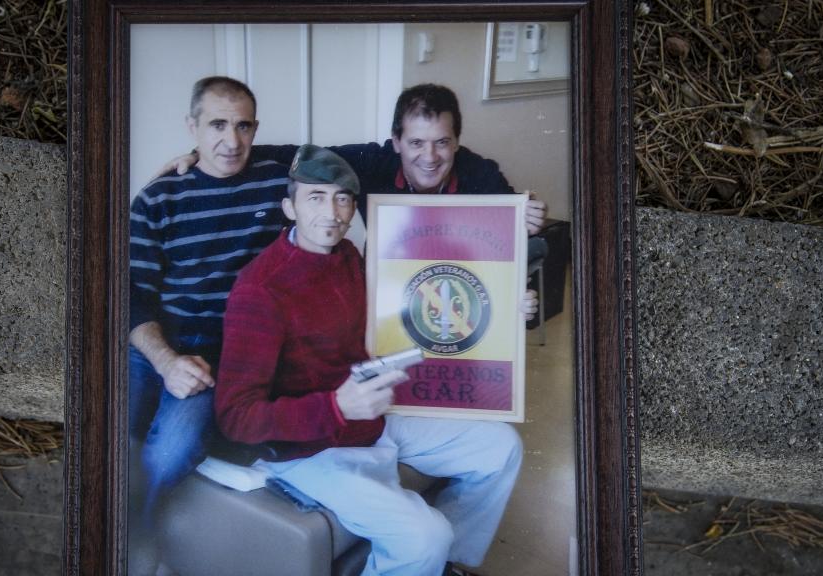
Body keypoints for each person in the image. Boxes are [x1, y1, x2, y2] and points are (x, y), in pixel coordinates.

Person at [215, 145, 535, 576]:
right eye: (315, 198)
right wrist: (335, 407)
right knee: (424, 535)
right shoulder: (260, 290)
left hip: (374, 416)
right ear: (289, 207)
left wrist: (504, 306)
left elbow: (412, 307)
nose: (331, 212)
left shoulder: (347, 254)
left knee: (501, 449)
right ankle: (427, 555)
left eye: (342, 198)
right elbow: (236, 418)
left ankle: (445, 564)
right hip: (308, 449)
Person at [127, 76, 290, 555]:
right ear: (192, 128)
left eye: (243, 126)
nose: (231, 140)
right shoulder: (158, 198)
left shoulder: (279, 184)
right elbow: (132, 296)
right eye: (217, 125)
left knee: (169, 450)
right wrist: (164, 362)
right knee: (106, 432)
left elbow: (363, 161)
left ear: (256, 129)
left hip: (224, 350)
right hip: (156, 339)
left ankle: (132, 540)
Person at [162, 83, 549, 236]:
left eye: (442, 143)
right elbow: (295, 155)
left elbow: (516, 242)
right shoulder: (369, 162)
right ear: (395, 141)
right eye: (416, 142)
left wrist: (528, 223)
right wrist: (204, 153)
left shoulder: (482, 174)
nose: (429, 157)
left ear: (457, 142)